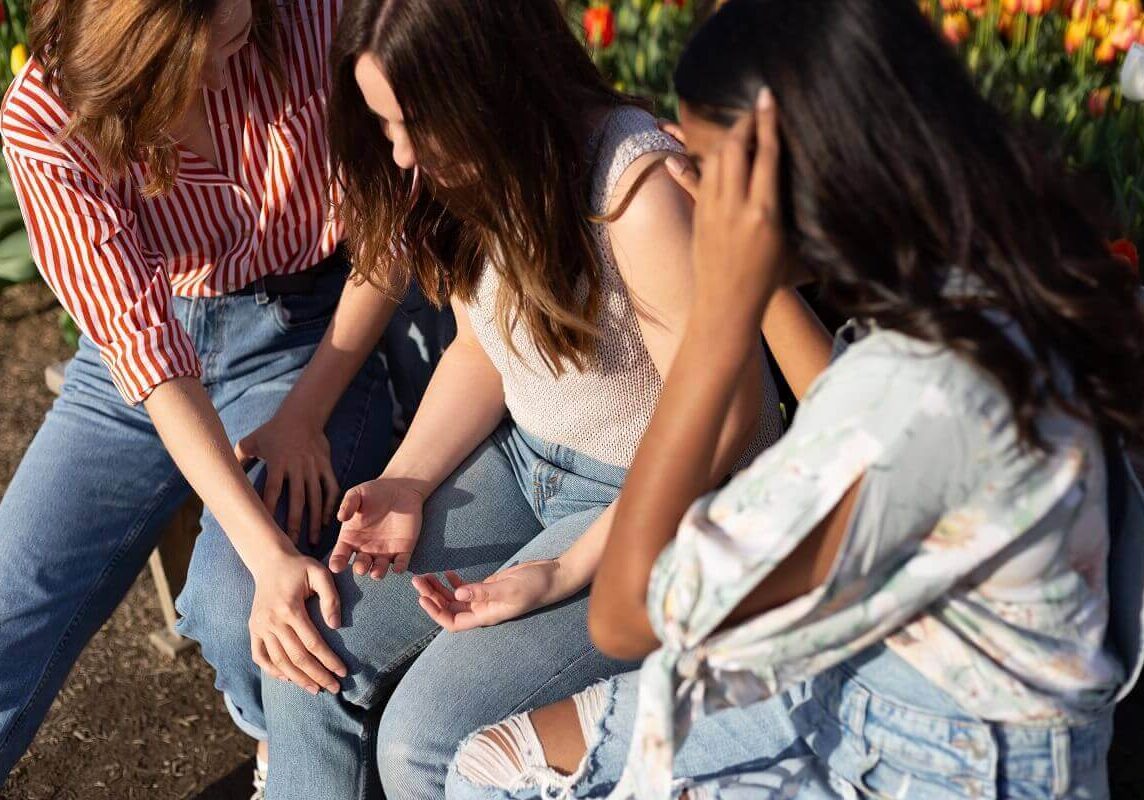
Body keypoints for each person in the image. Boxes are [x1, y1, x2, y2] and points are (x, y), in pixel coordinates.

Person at [444, 0, 1144, 798]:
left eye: (713, 170)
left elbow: (630, 613)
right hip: (883, 677)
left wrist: (721, 315)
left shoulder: (921, 396)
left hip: (935, 763)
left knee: (490, 780)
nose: (698, 197)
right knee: (492, 763)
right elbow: (839, 402)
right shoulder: (992, 291)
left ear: (812, 167)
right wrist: (763, 278)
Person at [258, 1, 832, 797]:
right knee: (309, 655)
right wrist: (409, 480)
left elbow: (724, 425)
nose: (399, 153)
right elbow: (485, 351)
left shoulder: (631, 186)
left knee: (426, 739)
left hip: (664, 499)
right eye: (386, 124)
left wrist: (565, 569)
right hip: (529, 464)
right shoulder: (461, 172)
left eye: (413, 122)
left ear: (488, 88)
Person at [0, 0, 450, 795]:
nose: (221, 69)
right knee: (15, 596)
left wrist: (305, 415)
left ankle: (281, 748)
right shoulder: (47, 115)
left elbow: (389, 230)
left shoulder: (315, 17)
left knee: (236, 601)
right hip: (139, 352)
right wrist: (268, 546)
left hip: (307, 333)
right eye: (185, 60)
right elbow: (145, 355)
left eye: (233, 35)